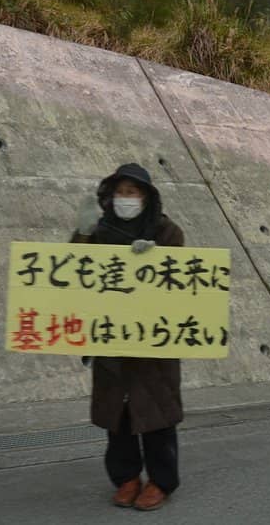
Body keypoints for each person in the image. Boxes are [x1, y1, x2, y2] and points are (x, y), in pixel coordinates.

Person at [71, 163, 186, 511]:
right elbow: (71, 269)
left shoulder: (167, 231)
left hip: (153, 340)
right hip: (110, 337)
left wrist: (153, 258)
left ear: (147, 197)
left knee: (156, 415)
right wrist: (83, 232)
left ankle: (161, 482)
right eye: (120, 192)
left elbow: (182, 281)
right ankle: (126, 478)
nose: (125, 199)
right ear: (109, 196)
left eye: (132, 193)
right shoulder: (99, 229)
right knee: (117, 416)